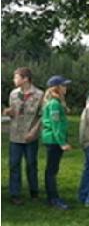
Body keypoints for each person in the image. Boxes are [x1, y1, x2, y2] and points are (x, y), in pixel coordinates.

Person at [3, 68, 44, 205]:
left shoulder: (39, 94)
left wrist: (34, 131)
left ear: (25, 79)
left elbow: (43, 115)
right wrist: (8, 112)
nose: (14, 80)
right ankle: (15, 194)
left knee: (31, 164)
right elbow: (13, 111)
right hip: (15, 135)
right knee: (14, 165)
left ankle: (34, 191)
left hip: (30, 135)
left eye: (16, 77)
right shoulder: (13, 94)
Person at [40, 75, 72, 210]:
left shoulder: (56, 102)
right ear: (57, 88)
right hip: (53, 140)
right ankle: (53, 199)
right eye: (63, 85)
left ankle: (52, 197)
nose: (66, 88)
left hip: (53, 139)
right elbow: (56, 124)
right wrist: (62, 142)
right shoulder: (54, 104)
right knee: (51, 171)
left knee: (52, 170)